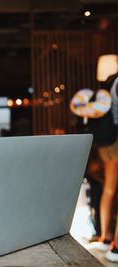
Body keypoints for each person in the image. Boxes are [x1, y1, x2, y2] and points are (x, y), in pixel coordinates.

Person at [90, 74, 118, 262]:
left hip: (107, 141)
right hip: (116, 140)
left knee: (109, 189)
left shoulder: (111, 81)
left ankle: (106, 238)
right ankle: (116, 246)